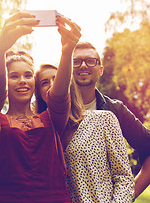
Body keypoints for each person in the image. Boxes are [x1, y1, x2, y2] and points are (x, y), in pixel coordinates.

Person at [0, 11, 81, 203]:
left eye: (28, 75)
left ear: (34, 80)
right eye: (14, 76)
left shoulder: (51, 118)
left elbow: (59, 96)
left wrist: (67, 51)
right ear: (6, 81)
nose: (22, 81)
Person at [72, 41, 150, 198]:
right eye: (76, 61)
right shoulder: (53, 108)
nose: (83, 66)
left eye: (90, 61)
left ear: (100, 70)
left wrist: (126, 195)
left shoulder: (115, 110)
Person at [35, 64, 135, 202]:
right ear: (39, 94)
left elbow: (124, 177)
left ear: (68, 83)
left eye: (57, 78)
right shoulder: (40, 135)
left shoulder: (104, 120)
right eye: (44, 83)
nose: (53, 85)